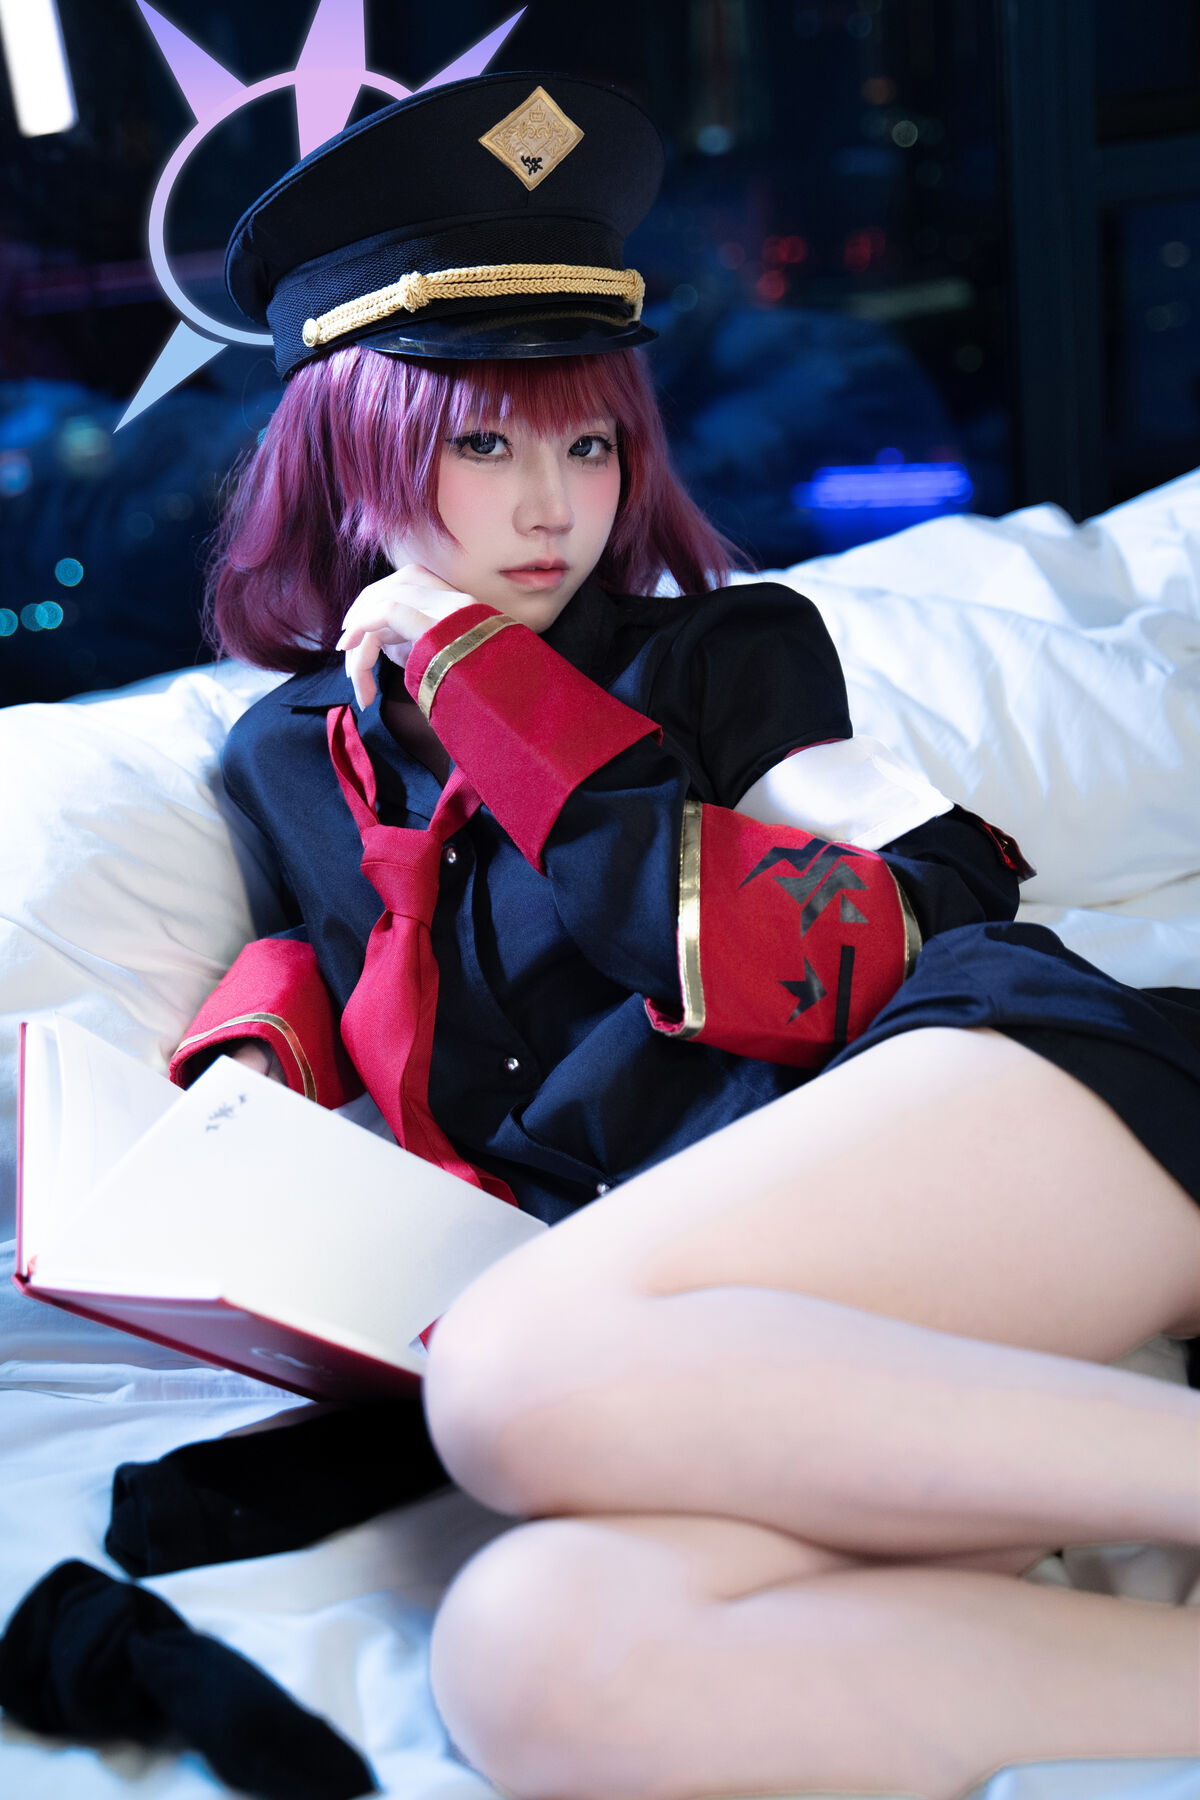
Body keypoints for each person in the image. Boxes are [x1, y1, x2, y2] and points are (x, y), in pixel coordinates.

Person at [173, 71, 1200, 1800]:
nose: (550, 506)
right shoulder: (287, 758)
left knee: (507, 1373)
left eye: (587, 443)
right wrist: (228, 1083)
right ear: (349, 451)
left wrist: (494, 696)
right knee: (537, 1659)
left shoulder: (728, 655)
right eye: (484, 444)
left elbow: (898, 923)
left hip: (1001, 1101)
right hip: (701, 1315)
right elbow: (366, 993)